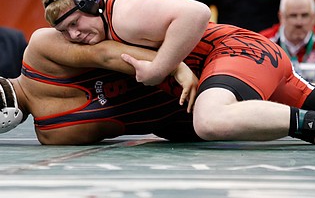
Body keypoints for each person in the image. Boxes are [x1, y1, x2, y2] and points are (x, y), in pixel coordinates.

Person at [40, 0, 315, 145]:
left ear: (91, 2)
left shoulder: (123, 11)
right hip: (245, 61)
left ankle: (311, 123)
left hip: (234, 51)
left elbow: (197, 12)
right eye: (65, 31)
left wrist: (160, 69)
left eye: (75, 23)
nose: (74, 35)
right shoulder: (105, 32)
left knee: (210, 120)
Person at [0, 26, 202, 145]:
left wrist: (174, 67)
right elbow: (106, 54)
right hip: (188, 54)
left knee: (215, 123)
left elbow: (106, 55)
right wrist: (173, 66)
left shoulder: (52, 134)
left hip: (190, 114)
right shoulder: (39, 49)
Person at [260, 0, 315, 82]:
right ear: (281, 17)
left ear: (314, 17)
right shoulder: (263, 43)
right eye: (293, 15)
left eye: (304, 15)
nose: (299, 22)